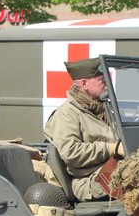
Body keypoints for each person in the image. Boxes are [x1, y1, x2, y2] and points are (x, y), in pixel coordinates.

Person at [43, 57, 123, 201]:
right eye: (102, 80)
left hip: (114, 169)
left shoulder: (103, 108)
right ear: (84, 84)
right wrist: (111, 149)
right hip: (89, 181)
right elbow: (71, 153)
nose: (107, 85)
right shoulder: (66, 114)